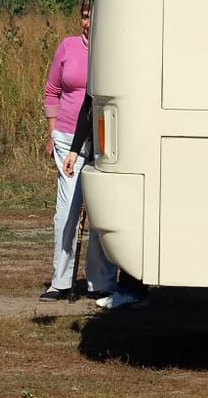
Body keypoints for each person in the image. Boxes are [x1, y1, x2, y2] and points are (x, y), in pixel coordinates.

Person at [40, 0, 117, 302]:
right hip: (66, 138)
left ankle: (100, 281)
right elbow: (52, 91)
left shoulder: (110, 46)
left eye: (92, 15)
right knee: (66, 211)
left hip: (102, 139)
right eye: (84, 15)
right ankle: (59, 281)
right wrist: (52, 132)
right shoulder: (68, 46)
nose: (87, 22)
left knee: (100, 213)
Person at [63, 91, 150, 311]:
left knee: (127, 217)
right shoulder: (96, 68)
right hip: (104, 150)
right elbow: (87, 109)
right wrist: (74, 151)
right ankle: (119, 285)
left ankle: (133, 288)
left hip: (128, 152)